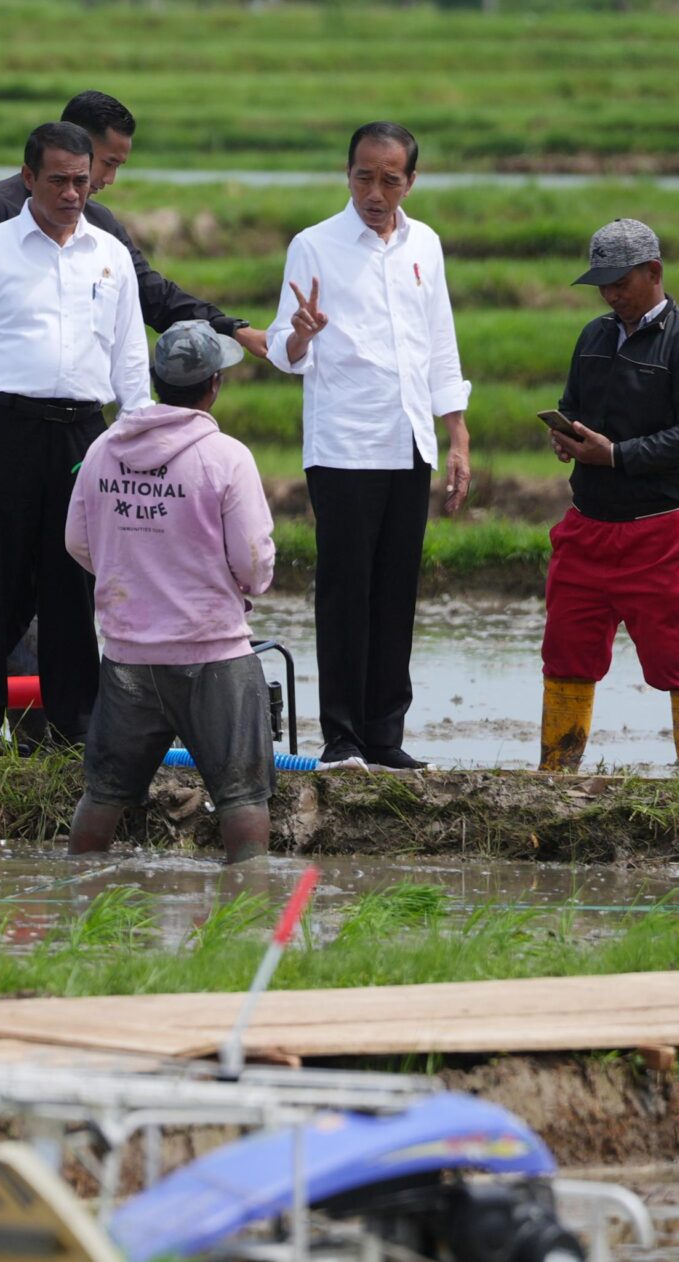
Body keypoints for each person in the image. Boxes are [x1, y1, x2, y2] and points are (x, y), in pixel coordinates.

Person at [0, 90, 266, 479]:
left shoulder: (100, 227)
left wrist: (230, 328)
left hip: (79, 430)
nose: (107, 180)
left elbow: (151, 295)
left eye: (93, 174)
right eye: (107, 164)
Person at [0, 121, 151, 746]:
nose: (73, 193)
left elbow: (131, 355)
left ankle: (73, 727)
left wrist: (139, 437)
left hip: (83, 435)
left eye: (82, 180)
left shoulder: (109, 255)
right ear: (28, 178)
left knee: (73, 579)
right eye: (58, 180)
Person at [266, 121, 472, 773]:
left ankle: (385, 735)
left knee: (395, 590)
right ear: (346, 173)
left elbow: (440, 342)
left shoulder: (425, 245)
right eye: (363, 176)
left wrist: (457, 431)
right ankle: (344, 738)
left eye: (389, 178)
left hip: (409, 440)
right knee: (345, 593)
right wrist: (301, 334)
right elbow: (282, 350)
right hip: (344, 445)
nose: (375, 192)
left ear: (411, 180)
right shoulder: (315, 245)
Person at [66, 322, 278, 866]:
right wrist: (238, 588)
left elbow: (78, 542)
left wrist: (132, 576)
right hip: (213, 653)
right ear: (213, 385)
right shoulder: (225, 456)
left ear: (158, 381)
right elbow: (253, 561)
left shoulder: (102, 451)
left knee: (104, 793)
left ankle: (79, 898)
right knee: (243, 796)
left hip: (127, 656)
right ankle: (248, 907)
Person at [537, 219, 679, 777]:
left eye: (621, 282)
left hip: (659, 527)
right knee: (566, 649)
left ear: (654, 272)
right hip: (587, 526)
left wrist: (617, 456)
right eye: (602, 284)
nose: (611, 294)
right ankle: (555, 776)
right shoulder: (593, 336)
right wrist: (568, 437)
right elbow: (573, 402)